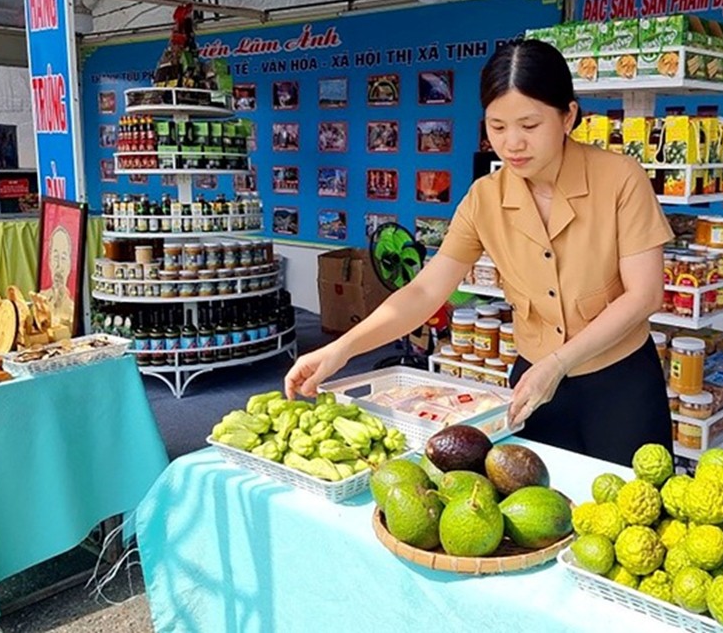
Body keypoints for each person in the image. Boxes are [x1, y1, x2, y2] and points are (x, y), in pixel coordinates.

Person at [285, 39, 674, 466]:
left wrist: (560, 362)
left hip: (620, 384)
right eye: (497, 126)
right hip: (533, 386)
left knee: (634, 516)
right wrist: (342, 349)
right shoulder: (484, 199)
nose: (512, 144)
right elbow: (424, 292)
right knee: (536, 513)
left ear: (569, 117)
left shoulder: (620, 179)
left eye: (529, 125)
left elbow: (644, 294)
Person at [43, 225, 75, 328]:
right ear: (49, 261)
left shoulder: (73, 308)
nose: (59, 266)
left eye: (64, 258)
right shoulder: (41, 299)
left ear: (70, 266)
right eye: (55, 257)